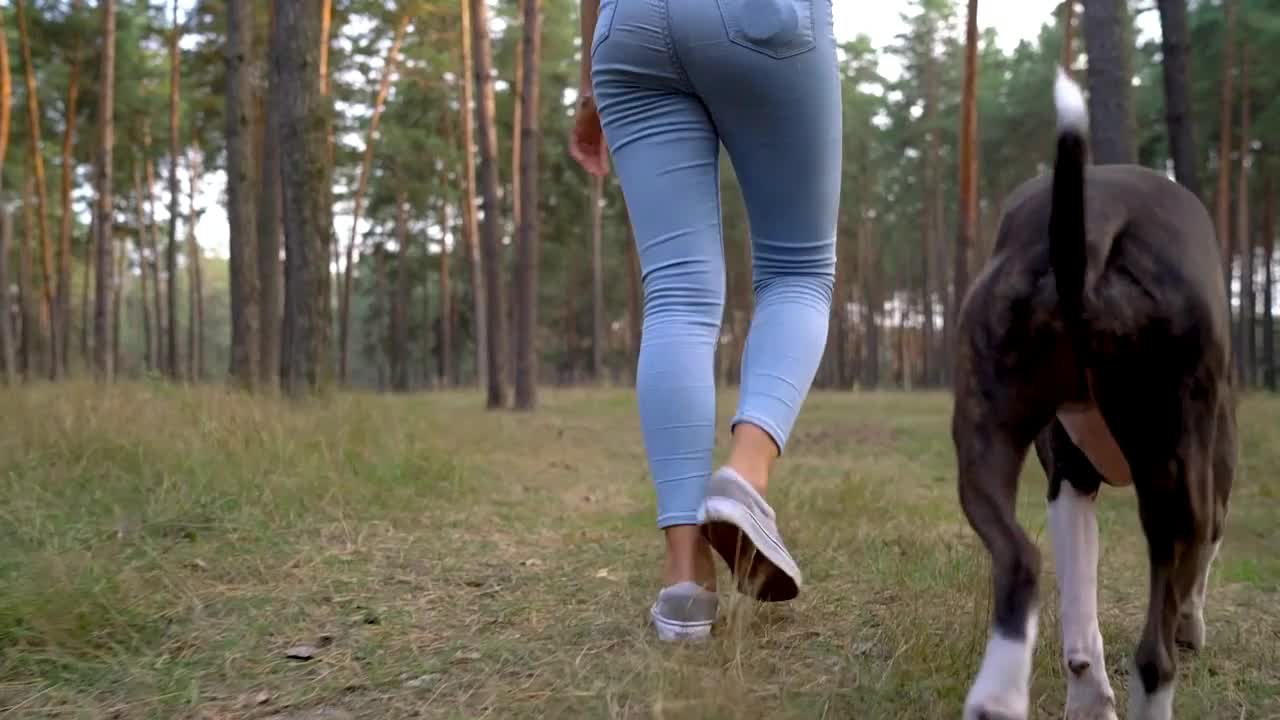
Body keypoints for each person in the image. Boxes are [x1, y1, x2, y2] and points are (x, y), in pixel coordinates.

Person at [570, 0, 841, 641]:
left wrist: (588, 85)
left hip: (627, 30)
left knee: (676, 296)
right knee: (798, 271)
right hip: (760, 20)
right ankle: (744, 477)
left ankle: (684, 582)